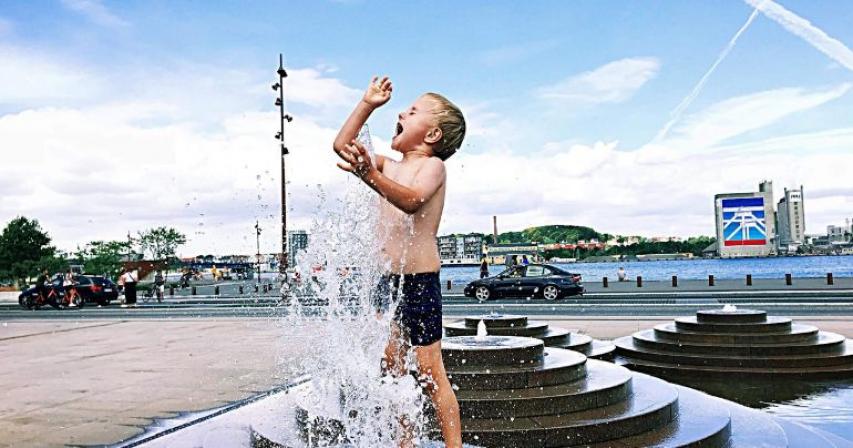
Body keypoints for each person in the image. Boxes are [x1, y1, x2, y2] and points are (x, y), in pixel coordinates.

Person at [333, 76, 465, 448]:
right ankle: (404, 442)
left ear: (433, 135)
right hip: (386, 282)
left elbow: (411, 201)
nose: (402, 111)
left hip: (420, 280)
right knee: (392, 368)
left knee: (429, 371)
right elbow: (342, 146)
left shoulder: (432, 167)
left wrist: (369, 175)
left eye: (413, 110)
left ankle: (453, 445)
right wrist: (366, 105)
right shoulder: (387, 166)